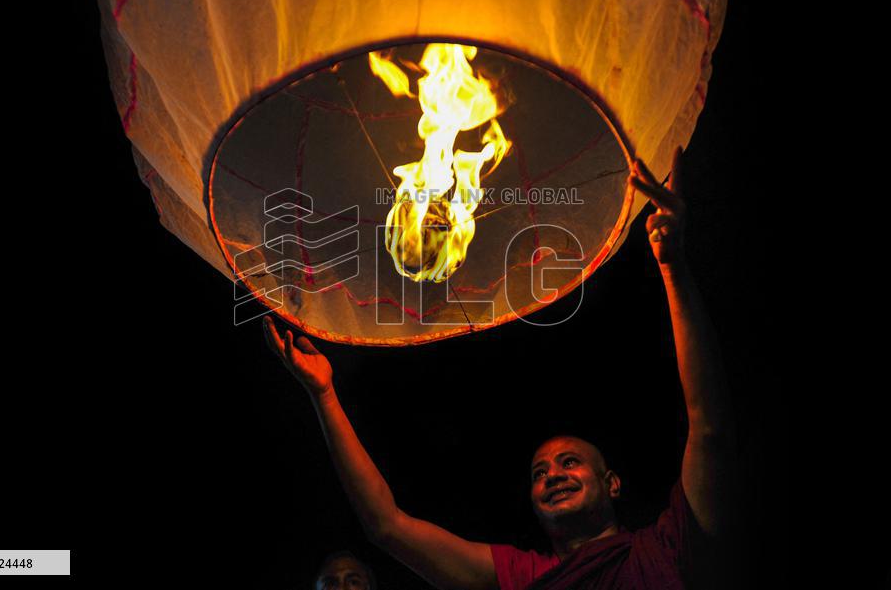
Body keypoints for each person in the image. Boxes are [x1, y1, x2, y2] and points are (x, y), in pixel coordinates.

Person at [264, 147, 736, 590]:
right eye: (539, 472)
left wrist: (673, 267)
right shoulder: (524, 576)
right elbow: (387, 526)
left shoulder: (668, 546)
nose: (551, 476)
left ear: (612, 483)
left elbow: (710, 426)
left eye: (568, 463)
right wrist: (324, 396)